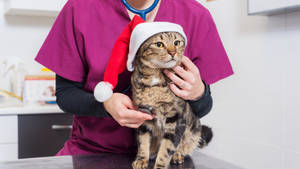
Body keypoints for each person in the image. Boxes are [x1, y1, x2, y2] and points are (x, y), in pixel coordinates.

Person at [35, 0, 234, 156]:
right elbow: (65, 95)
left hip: (164, 155)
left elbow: (203, 107)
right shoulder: (79, 9)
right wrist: (105, 104)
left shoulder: (195, 15)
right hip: (93, 152)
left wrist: (198, 92)